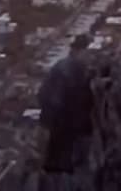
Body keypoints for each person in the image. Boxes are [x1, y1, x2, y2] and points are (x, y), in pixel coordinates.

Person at [37, 34, 95, 173]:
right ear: (79, 50)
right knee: (61, 163)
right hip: (64, 126)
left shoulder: (75, 68)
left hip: (67, 126)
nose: (90, 56)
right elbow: (57, 100)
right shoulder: (67, 69)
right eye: (88, 52)